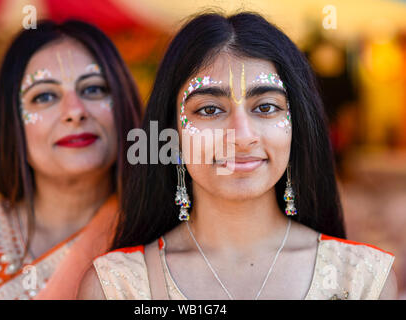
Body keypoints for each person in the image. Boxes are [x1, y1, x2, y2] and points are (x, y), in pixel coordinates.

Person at [78, 12, 397, 300]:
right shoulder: (116, 287)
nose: (242, 135)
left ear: (295, 128)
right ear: (170, 134)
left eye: (266, 107)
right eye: (210, 110)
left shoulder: (363, 280)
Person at [0, 19, 141, 299]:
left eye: (93, 89)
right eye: (44, 96)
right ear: (13, 124)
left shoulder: (159, 234)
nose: (74, 111)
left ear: (124, 106)